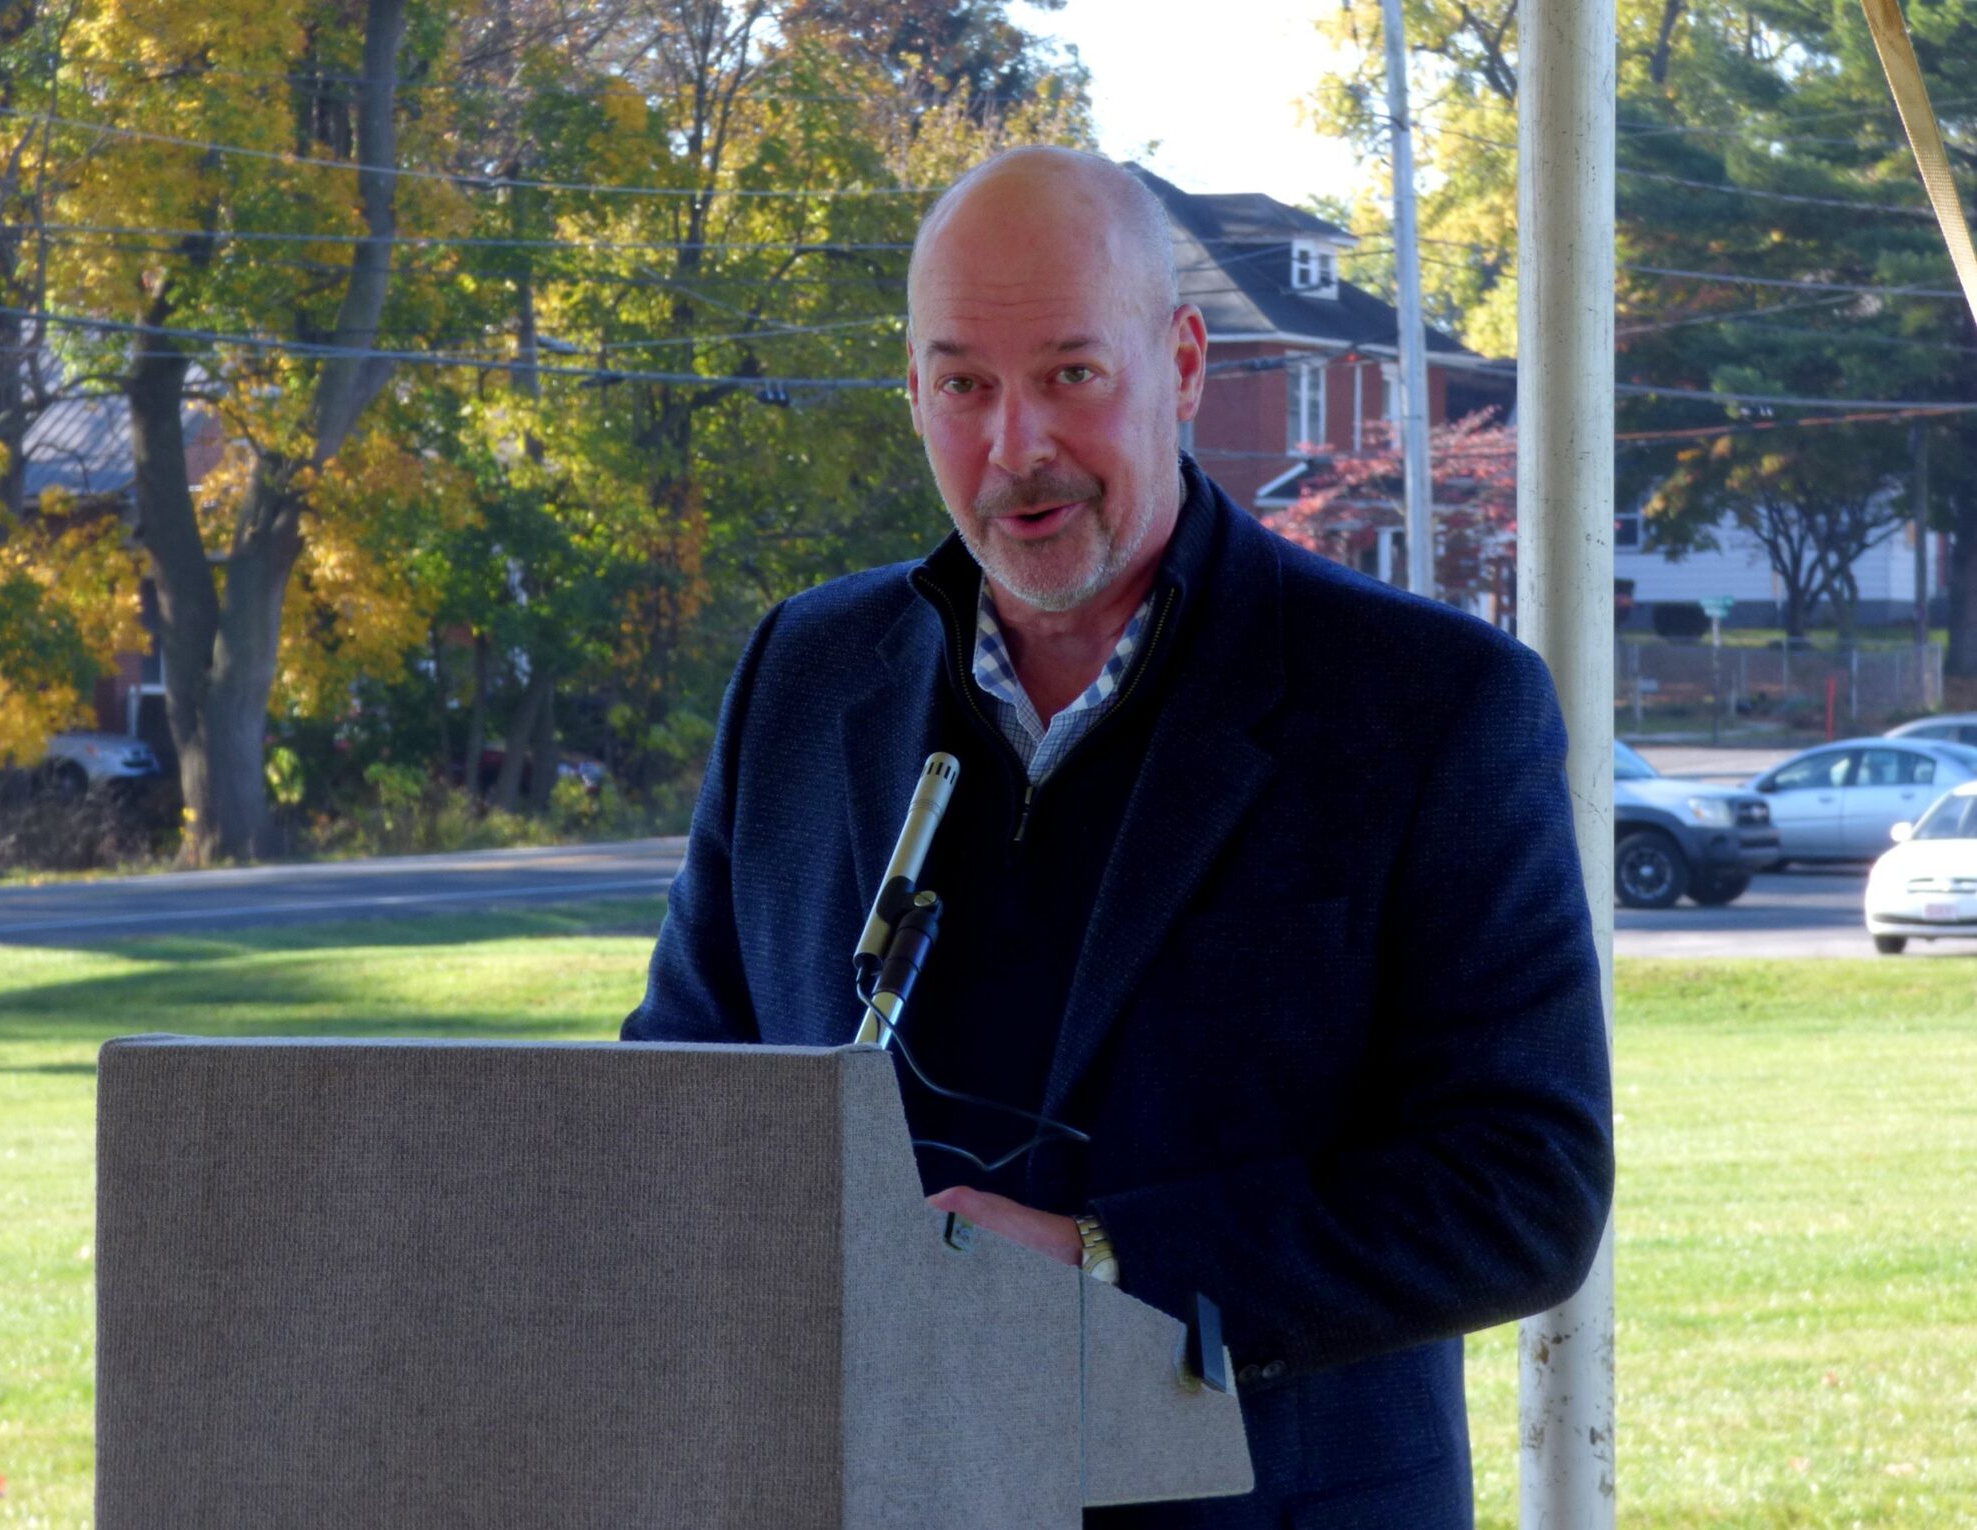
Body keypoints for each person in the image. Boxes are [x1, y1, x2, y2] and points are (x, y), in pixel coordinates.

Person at [624, 145, 1612, 1528]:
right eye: (964, 383)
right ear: (912, 392)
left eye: (1072, 375)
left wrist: (1107, 1257)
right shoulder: (800, 675)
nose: (1016, 444)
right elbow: (676, 1099)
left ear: (1185, 366)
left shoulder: (1429, 706)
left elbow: (1526, 1185)